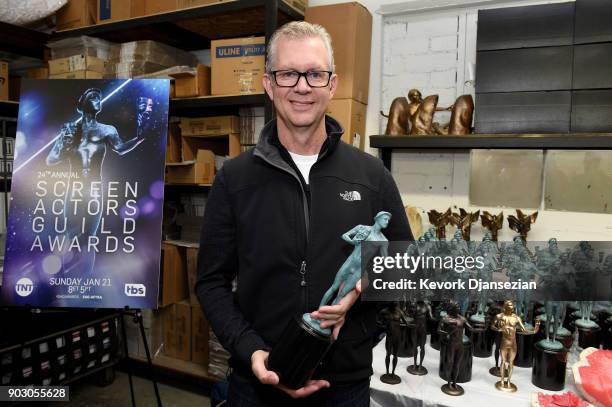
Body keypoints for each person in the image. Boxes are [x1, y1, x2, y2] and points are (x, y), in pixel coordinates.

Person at [196, 21, 412, 406]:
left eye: (314, 73)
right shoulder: (234, 178)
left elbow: (406, 263)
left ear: (332, 84)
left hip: (343, 386)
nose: (301, 86)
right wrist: (252, 352)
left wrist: (357, 297)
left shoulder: (371, 176)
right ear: (268, 84)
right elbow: (211, 283)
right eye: (288, 74)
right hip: (255, 383)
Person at [46, 88, 151, 274]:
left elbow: (120, 148)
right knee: (71, 237)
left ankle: (85, 280)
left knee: (89, 238)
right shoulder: (71, 128)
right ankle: (65, 278)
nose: (98, 99)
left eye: (99, 97)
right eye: (93, 96)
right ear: (83, 102)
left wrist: (140, 136)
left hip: (94, 190)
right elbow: (51, 160)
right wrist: (65, 141)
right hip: (74, 189)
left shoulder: (107, 130)